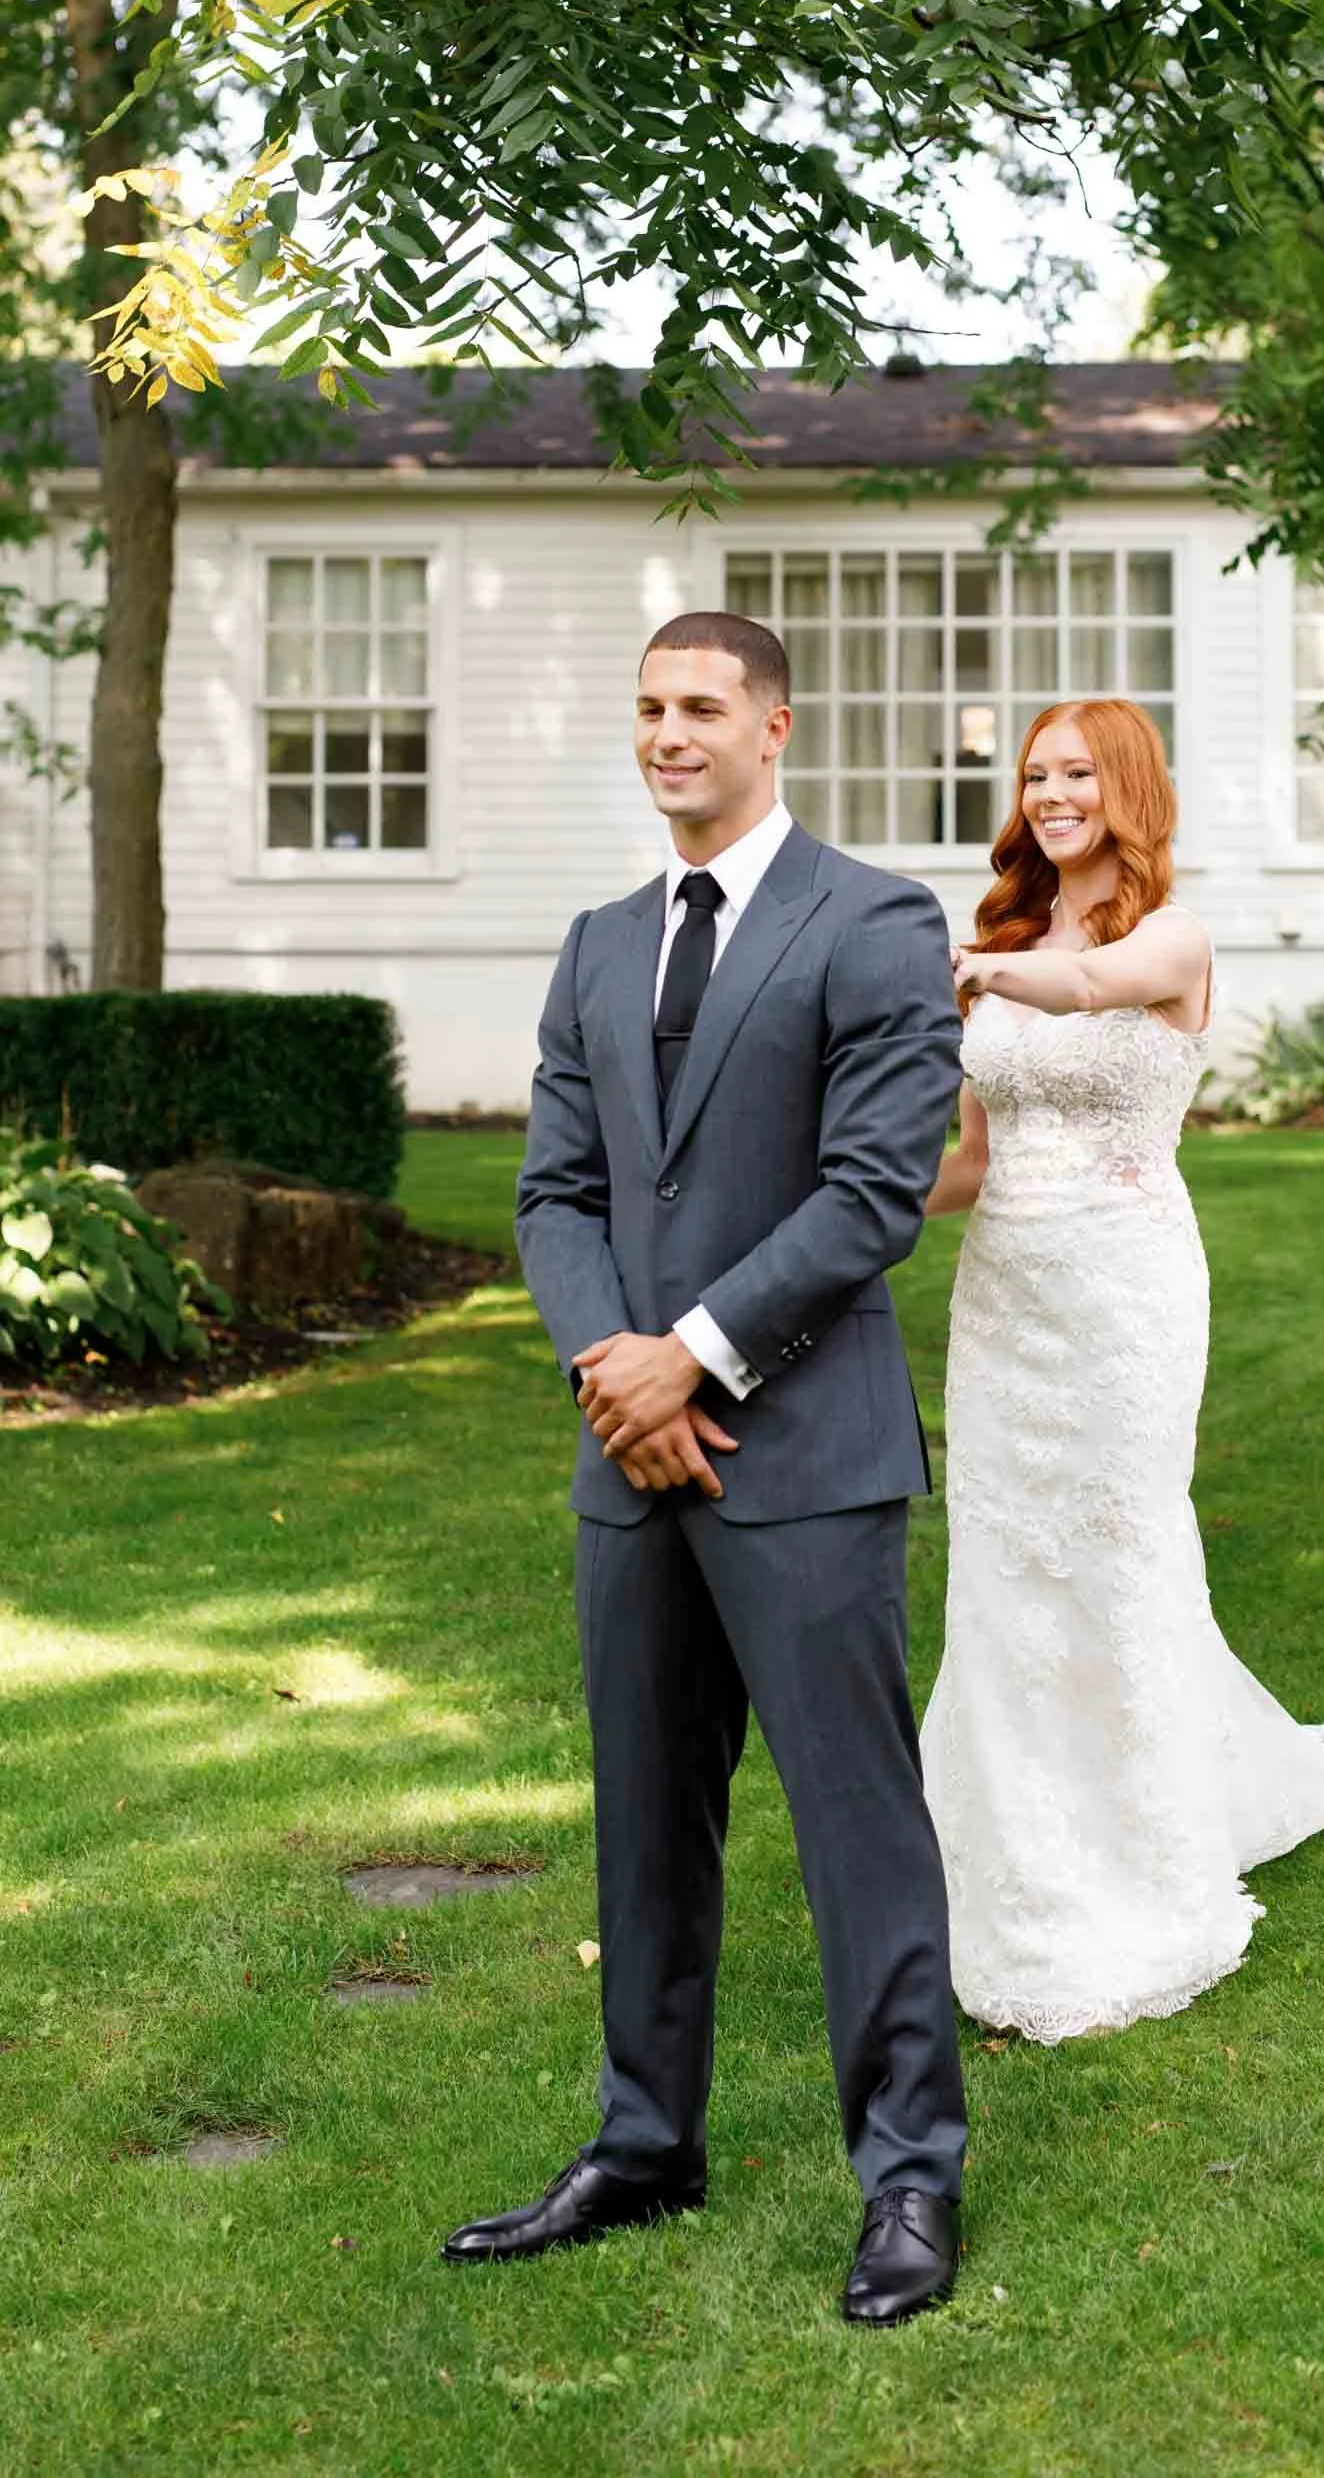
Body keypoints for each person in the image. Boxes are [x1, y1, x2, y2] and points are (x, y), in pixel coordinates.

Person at [442, 613, 968, 2327]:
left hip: (803, 1453)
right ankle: (645, 2143)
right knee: (648, 1819)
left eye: (700, 707)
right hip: (631, 1457)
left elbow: (874, 1191)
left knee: (856, 1825)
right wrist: (618, 1369)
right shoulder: (599, 944)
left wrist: (701, 1355)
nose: (668, 734)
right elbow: (556, 1193)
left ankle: (910, 2174)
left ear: (774, 726)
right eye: (648, 708)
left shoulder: (874, 921)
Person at [921, 698, 1324, 2043]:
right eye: (1035, 775)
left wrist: (964, 972)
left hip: (1125, 1294)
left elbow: (1089, 992)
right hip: (1005, 1298)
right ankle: (1012, 1829)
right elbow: (974, 1162)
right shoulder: (1007, 943)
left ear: (1127, 786)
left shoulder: (1172, 940)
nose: (1052, 794)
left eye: (1078, 771)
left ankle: (1147, 1838)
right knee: (1010, 1558)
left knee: (1118, 1545)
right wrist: (852, 1209)